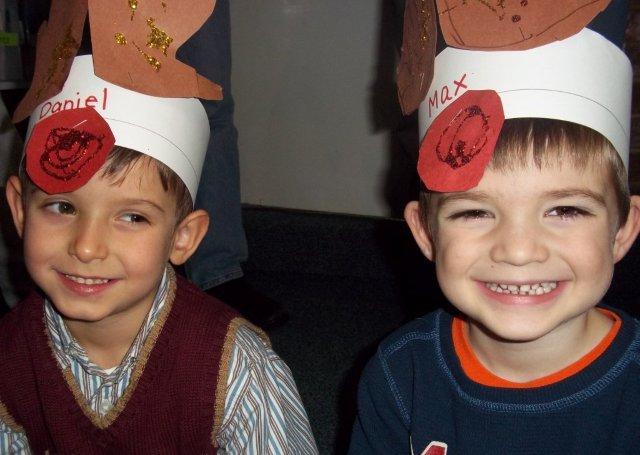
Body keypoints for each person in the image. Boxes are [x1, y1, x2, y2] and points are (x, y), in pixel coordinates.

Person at [0, 53, 317, 453]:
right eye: (63, 207)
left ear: (182, 238)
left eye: (132, 217)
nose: (86, 246)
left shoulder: (233, 369)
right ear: (19, 211)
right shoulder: (9, 359)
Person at [349, 24, 640, 454]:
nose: (519, 251)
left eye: (565, 210)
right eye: (475, 212)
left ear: (623, 229)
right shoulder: (401, 373)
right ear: (426, 234)